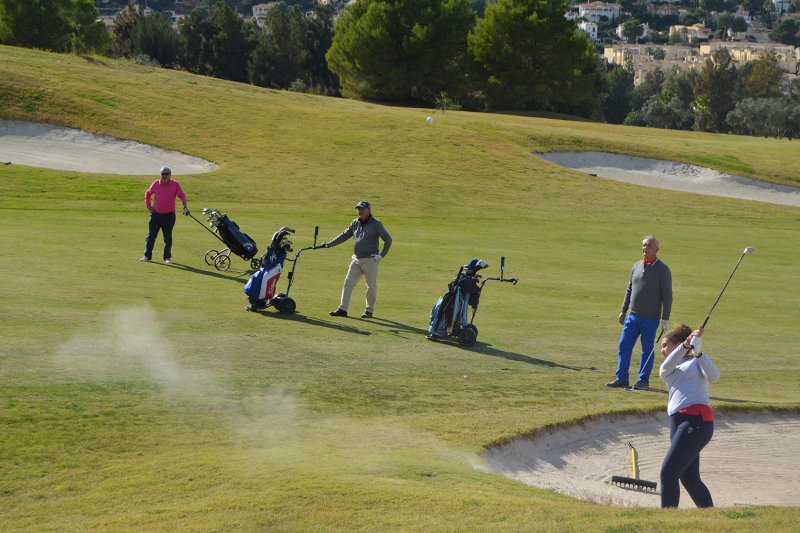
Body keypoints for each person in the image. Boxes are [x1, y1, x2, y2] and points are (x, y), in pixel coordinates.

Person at [658, 324, 719, 508]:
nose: (662, 350)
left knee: (668, 474)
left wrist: (698, 352)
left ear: (676, 344)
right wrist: (686, 345)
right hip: (678, 423)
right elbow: (664, 368)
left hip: (696, 421)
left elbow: (714, 376)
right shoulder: (670, 367)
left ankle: (667, 522)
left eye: (665, 345)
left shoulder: (696, 362)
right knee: (689, 478)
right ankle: (711, 517)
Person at [606, 235, 672, 390]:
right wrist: (623, 310)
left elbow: (667, 296)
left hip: (650, 318)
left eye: (649, 246)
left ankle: (643, 381)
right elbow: (629, 289)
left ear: (656, 249)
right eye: (643, 245)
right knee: (624, 346)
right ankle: (621, 378)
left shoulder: (663, 270)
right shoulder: (636, 266)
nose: (645, 248)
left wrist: (665, 318)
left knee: (647, 350)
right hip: (632, 316)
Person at [321, 200, 392, 318]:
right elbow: (344, 235)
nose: (360, 211)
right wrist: (329, 244)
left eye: (363, 209)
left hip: (371, 260)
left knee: (371, 286)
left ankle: (369, 310)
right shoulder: (355, 223)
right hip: (356, 260)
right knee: (348, 283)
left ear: (369, 210)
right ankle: (343, 309)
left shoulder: (376, 224)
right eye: (359, 209)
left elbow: (388, 239)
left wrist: (381, 255)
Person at [140, 166, 190, 263]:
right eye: (163, 174)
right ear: (160, 174)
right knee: (151, 236)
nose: (164, 176)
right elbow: (148, 193)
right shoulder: (156, 183)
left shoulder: (175, 184)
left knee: (167, 237)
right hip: (156, 215)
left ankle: (167, 258)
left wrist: (185, 207)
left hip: (169, 216)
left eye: (166, 174)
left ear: (170, 175)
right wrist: (149, 206)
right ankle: (147, 256)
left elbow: (182, 195)